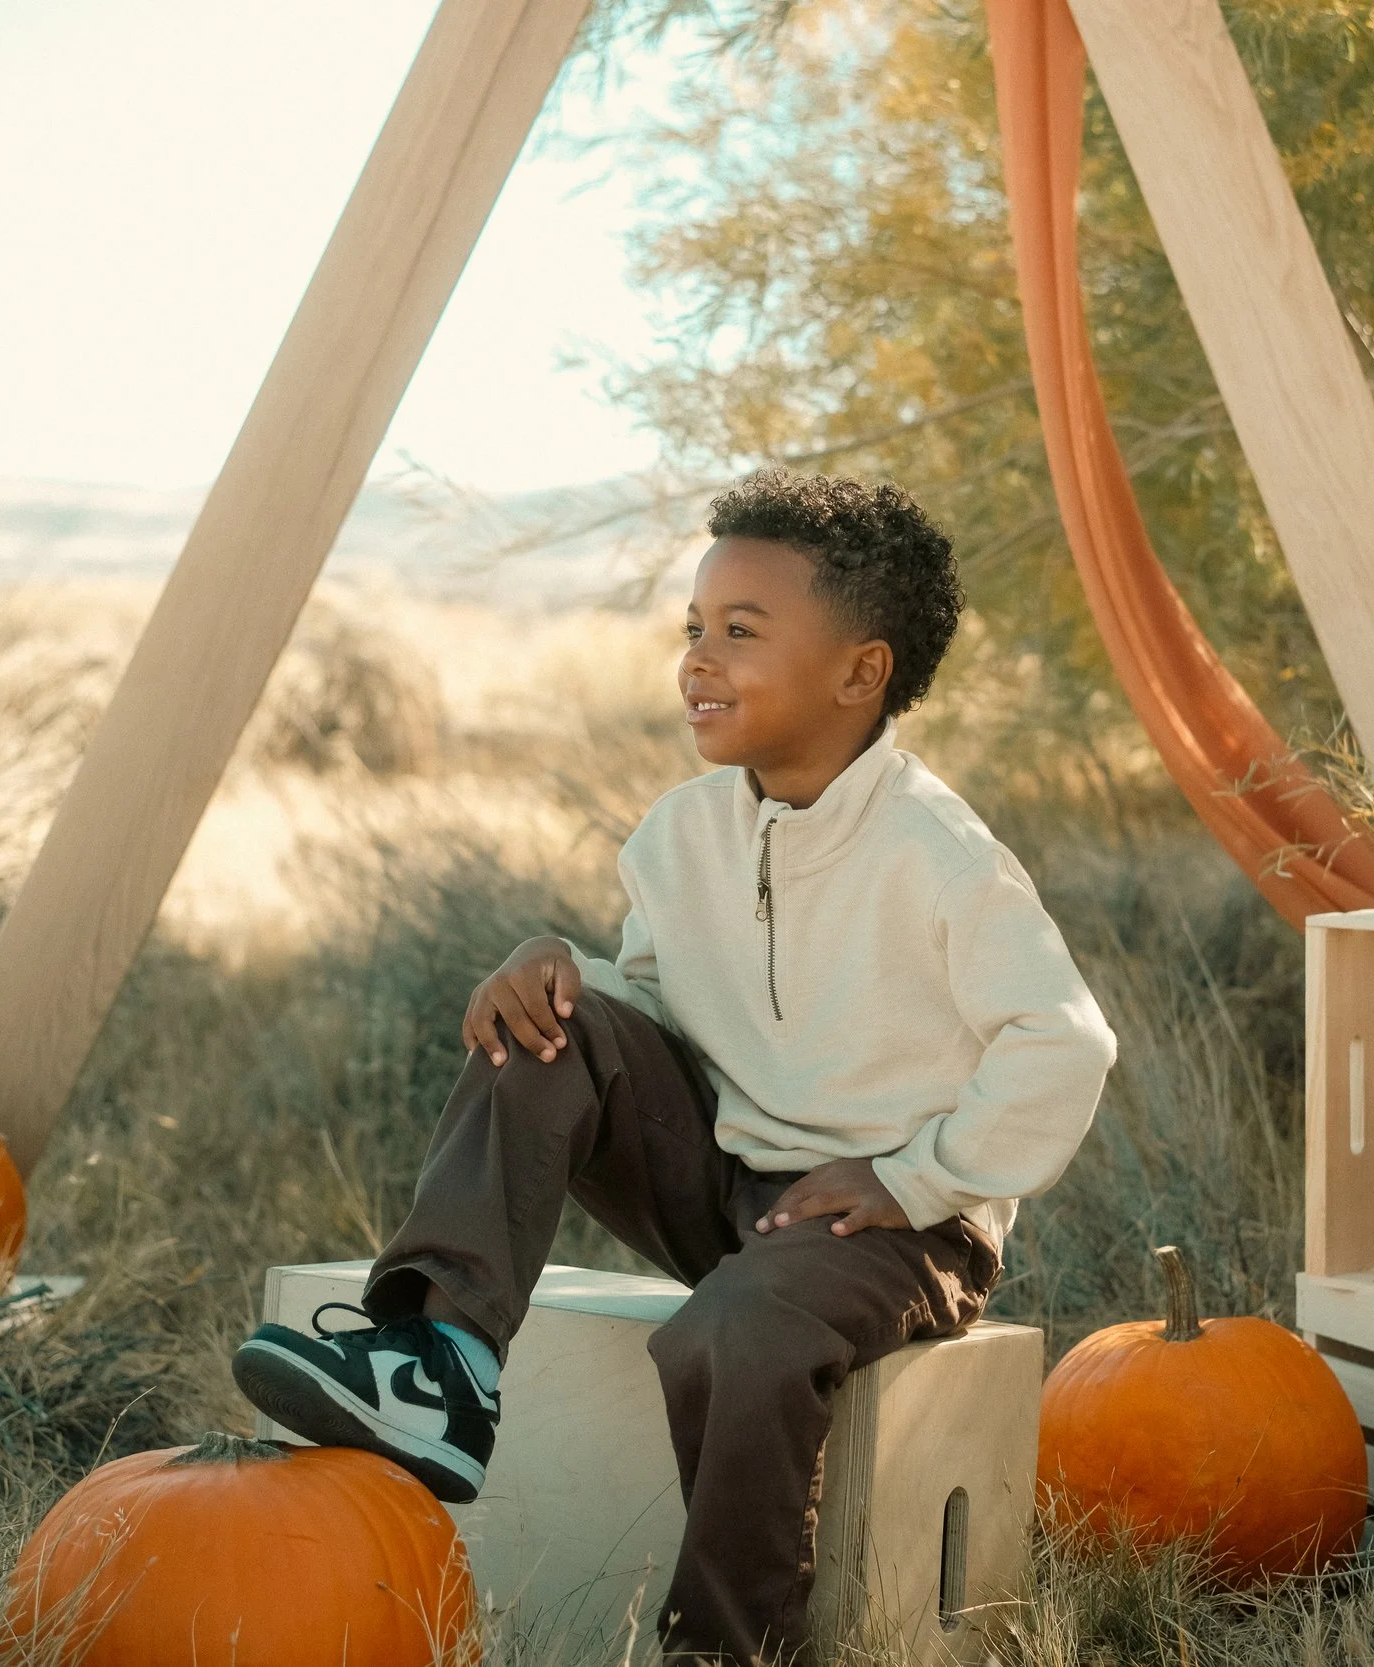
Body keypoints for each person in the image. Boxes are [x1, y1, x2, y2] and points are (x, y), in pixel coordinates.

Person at [231, 468, 1116, 1664]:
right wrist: (563, 970)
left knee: (727, 1330)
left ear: (862, 670)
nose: (698, 659)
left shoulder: (940, 854)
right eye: (692, 629)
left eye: (741, 633)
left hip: (898, 1230)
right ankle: (439, 1363)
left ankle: (727, 1643)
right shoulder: (681, 833)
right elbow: (657, 1011)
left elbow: (1065, 1037)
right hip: (730, 1190)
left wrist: (917, 1177)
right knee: (545, 1023)